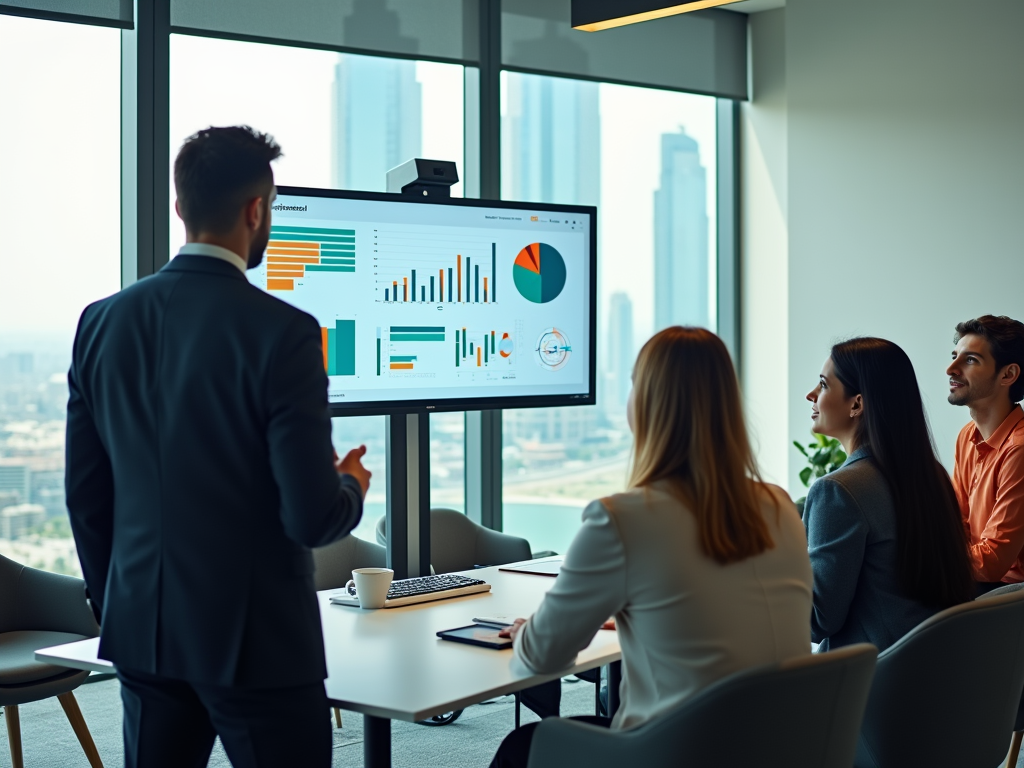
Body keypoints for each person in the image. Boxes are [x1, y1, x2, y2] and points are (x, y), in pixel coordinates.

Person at [65, 126, 370, 768]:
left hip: (143, 628)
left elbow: (87, 496)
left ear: (181, 208)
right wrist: (351, 487)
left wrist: (117, 597)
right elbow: (312, 517)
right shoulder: (285, 333)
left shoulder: (101, 322)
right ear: (257, 210)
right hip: (256, 641)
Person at [489, 327, 813, 768]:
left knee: (523, 747)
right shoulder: (778, 504)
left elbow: (540, 658)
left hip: (676, 752)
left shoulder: (621, 519)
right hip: (777, 749)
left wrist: (529, 630)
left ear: (645, 405)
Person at [803, 338, 975, 652]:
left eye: (824, 385)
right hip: (933, 674)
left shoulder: (836, 491)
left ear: (856, 404)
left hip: (868, 686)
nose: (811, 395)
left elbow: (818, 620)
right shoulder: (931, 475)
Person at [947, 315, 1024, 591]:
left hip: (1011, 597)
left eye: (970, 360)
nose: (951, 369)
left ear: (1008, 374)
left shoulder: (1019, 449)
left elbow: (993, 562)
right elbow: (957, 528)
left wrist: (928, 560)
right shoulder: (967, 436)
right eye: (954, 356)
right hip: (978, 584)